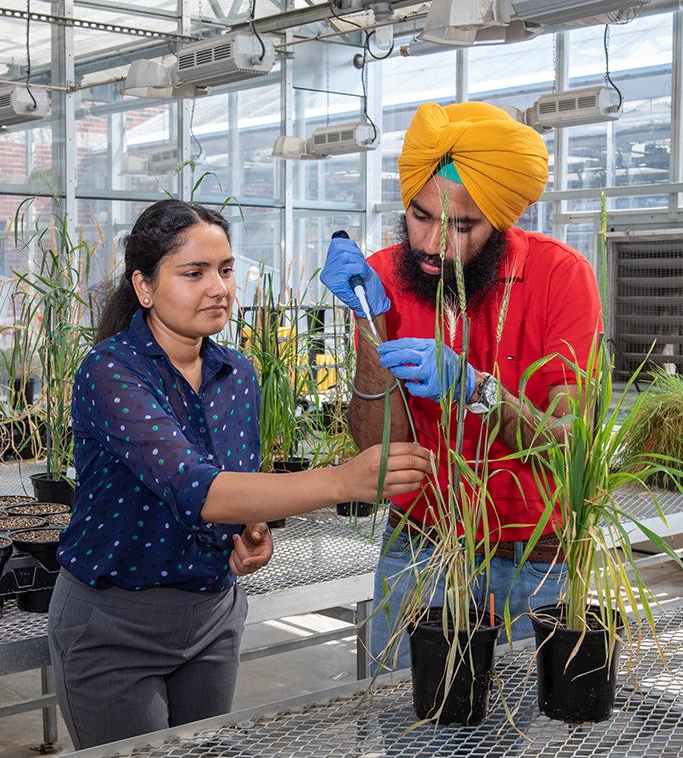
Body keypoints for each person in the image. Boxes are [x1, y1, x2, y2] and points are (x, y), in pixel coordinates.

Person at [48, 199, 431, 748]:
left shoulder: (236, 374)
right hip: (115, 625)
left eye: (226, 270)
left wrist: (250, 532)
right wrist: (343, 481)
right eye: (194, 273)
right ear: (145, 286)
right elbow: (196, 487)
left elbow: (232, 484)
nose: (218, 288)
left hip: (212, 619)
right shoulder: (112, 370)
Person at [319, 101, 603, 673]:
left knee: (530, 712)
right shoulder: (383, 276)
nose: (432, 244)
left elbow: (571, 442)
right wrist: (371, 325)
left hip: (532, 558)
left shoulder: (559, 275)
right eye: (420, 216)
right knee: (403, 709)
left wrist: (479, 391)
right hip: (419, 546)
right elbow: (377, 451)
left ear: (500, 221)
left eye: (461, 226)